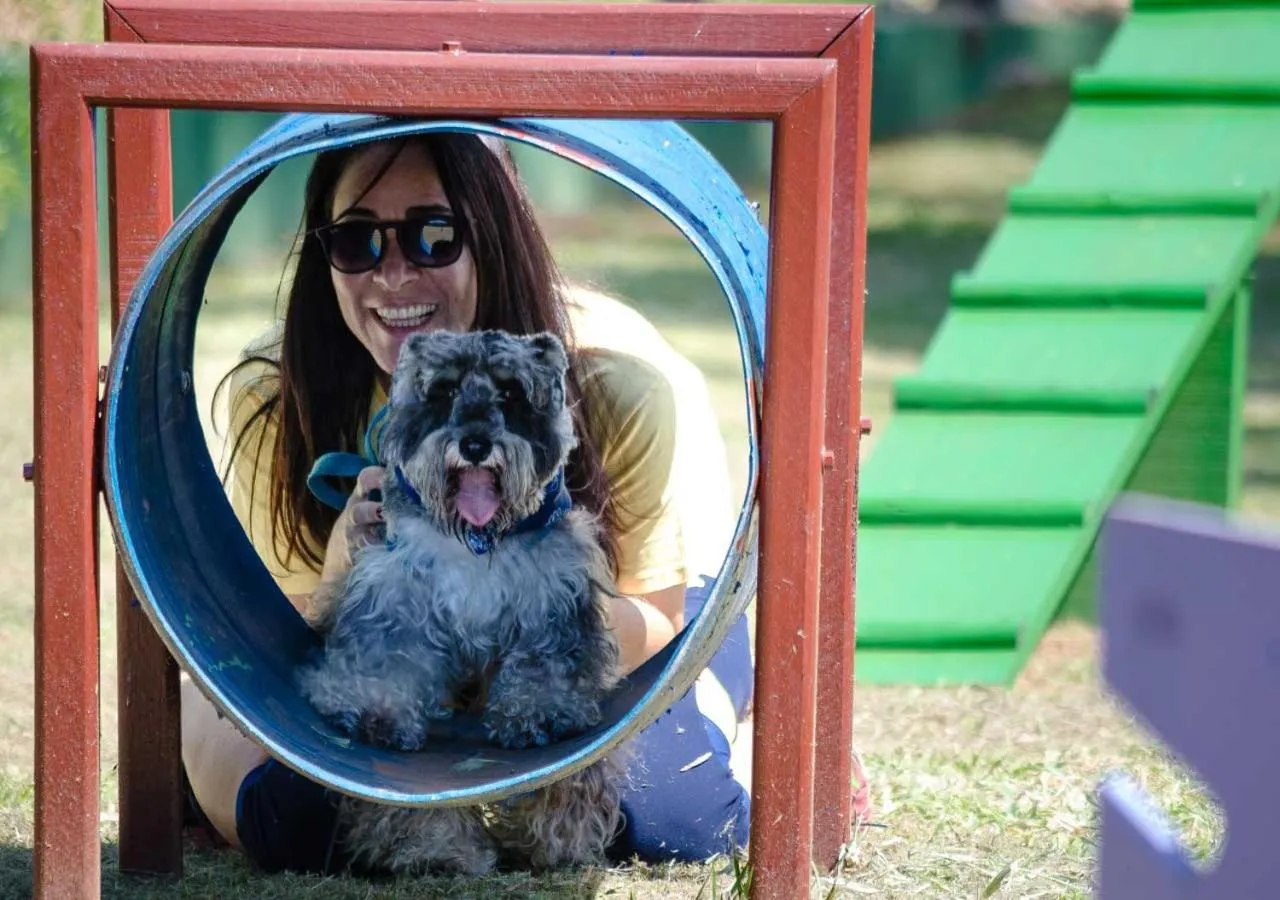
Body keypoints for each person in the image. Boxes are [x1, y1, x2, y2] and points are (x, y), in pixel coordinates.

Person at [181, 128, 759, 875]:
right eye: (356, 242)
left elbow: (657, 615)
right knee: (286, 822)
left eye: (433, 234)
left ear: (492, 232)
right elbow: (278, 639)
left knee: (679, 822)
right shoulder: (279, 395)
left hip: (611, 630)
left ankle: (745, 699)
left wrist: (520, 605)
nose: (393, 276)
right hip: (398, 649)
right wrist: (344, 568)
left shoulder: (616, 382)